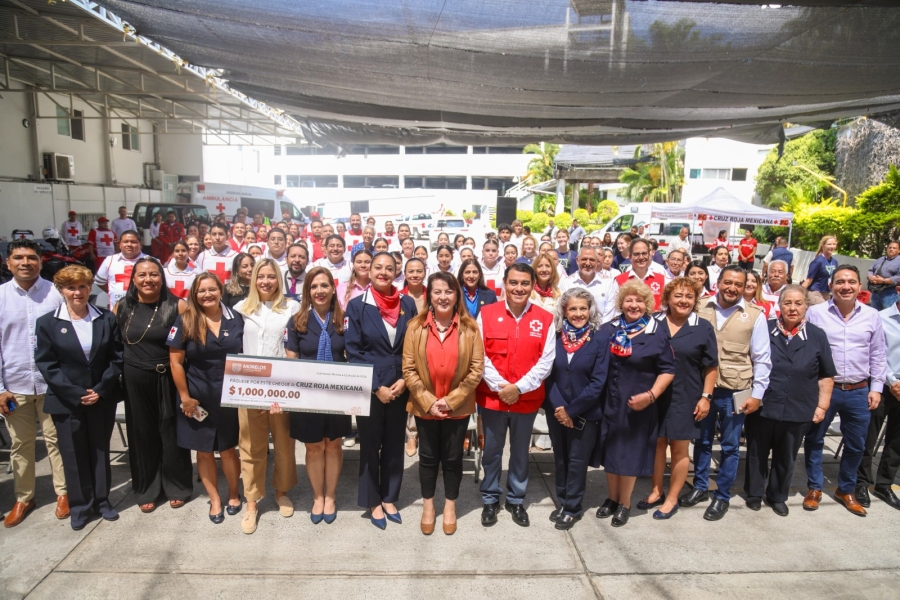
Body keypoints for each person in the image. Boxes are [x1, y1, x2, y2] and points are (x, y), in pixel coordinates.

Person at [34, 266, 124, 530]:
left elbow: (116, 358)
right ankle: (80, 506)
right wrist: (75, 392)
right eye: (71, 287)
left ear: (89, 288)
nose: (77, 292)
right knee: (73, 455)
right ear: (61, 290)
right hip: (66, 400)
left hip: (101, 397)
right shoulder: (48, 323)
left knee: (99, 450)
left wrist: (101, 388)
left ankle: (102, 501)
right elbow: (47, 364)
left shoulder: (106, 318)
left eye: (83, 286)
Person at [682, 266, 772, 521]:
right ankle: (700, 487)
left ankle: (722, 496)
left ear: (746, 287)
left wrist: (757, 394)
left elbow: (763, 358)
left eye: (739, 284)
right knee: (702, 440)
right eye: (728, 282)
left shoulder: (755, 315)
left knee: (731, 446)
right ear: (718, 282)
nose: (732, 288)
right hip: (703, 389)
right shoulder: (699, 307)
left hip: (738, 389)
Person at [402, 272, 484, 535]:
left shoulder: (470, 329)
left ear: (457, 295)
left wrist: (450, 402)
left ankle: (449, 506)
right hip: (424, 407)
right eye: (437, 291)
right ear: (429, 295)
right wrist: (428, 401)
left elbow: (476, 370)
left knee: (451, 458)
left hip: (456, 409)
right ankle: (428, 506)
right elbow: (409, 369)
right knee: (427, 459)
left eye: (449, 291)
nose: (443, 297)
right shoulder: (415, 327)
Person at [743, 285, 835, 516]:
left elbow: (825, 374)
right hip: (763, 405)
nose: (792, 308)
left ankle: (777, 496)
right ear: (779, 305)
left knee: (786, 456)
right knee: (756, 452)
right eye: (787, 303)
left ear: (806, 306)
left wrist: (822, 406)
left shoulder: (817, 335)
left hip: (798, 407)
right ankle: (754, 493)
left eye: (798, 303)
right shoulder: (765, 328)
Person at [803, 265, 886, 515]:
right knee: (815, 439)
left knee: (856, 445)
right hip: (825, 390)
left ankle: (845, 488)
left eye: (851, 282)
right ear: (831, 286)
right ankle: (815, 487)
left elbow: (878, 354)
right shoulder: (816, 313)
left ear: (859, 286)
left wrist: (877, 387)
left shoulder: (872, 316)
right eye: (840, 282)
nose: (845, 286)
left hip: (860, 390)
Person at [477, 263, 555, 528]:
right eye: (513, 283)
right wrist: (503, 388)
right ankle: (490, 499)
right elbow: (480, 356)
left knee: (521, 453)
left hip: (527, 399)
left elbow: (546, 362)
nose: (518, 288)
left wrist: (518, 388)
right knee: (492, 452)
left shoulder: (545, 318)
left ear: (532, 285)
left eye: (524, 283)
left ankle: (515, 499)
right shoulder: (486, 314)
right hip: (493, 398)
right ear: (504, 284)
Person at [592, 281, 675, 527]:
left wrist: (650, 396)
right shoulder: (608, 329)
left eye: (639, 300)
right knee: (610, 450)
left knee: (628, 454)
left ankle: (625, 502)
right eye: (629, 300)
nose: (634, 305)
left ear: (647, 304)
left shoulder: (656, 330)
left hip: (638, 404)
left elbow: (668, 370)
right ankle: (612, 497)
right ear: (621, 303)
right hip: (610, 401)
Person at [114, 257, 192, 513]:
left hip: (168, 377)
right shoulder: (121, 307)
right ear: (133, 279)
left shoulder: (178, 306)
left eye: (154, 274)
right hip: (135, 379)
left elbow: (189, 347)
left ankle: (177, 486)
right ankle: (147, 488)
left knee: (171, 432)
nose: (148, 280)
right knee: (141, 434)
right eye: (142, 275)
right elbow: (115, 347)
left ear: (162, 277)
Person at [345, 252, 418, 529]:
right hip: (371, 388)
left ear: (396, 271)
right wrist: (377, 387)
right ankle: (372, 500)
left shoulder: (407, 304)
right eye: (378, 267)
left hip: (400, 386)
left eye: (389, 268)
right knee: (370, 444)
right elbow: (353, 351)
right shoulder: (357, 306)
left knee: (394, 445)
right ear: (369, 271)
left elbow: (413, 346)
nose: (383, 272)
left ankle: (389, 497)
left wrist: (404, 380)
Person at [0, 240, 68, 527]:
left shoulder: (55, 294)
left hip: (52, 384)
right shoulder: (1, 296)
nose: (25, 263)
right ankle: (24, 497)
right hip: (15, 386)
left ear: (41, 261)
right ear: (8, 263)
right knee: (21, 445)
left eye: (31, 258)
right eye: (18, 258)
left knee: (57, 442)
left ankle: (63, 493)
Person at [168, 273, 244, 524]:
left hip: (231, 395)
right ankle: (214, 500)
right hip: (198, 396)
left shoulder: (237, 318)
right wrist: (185, 397)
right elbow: (176, 362)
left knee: (228, 449)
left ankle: (234, 494)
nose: (207, 295)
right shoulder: (185, 319)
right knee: (203, 452)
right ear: (194, 294)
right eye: (201, 291)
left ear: (221, 291)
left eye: (212, 289)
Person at [639, 278, 717, 520]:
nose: (683, 301)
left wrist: (706, 397)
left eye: (689, 297)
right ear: (667, 299)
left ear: (695, 301)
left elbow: (712, 367)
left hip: (687, 395)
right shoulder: (654, 322)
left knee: (680, 449)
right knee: (658, 443)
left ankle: (672, 498)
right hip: (656, 395)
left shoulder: (703, 327)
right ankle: (656, 491)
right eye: (678, 296)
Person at [233, 259, 300, 534]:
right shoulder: (239, 308)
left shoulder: (291, 308)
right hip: (250, 387)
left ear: (279, 280)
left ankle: (281, 491)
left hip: (281, 387)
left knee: (284, 443)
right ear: (253, 279)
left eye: (271, 276)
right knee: (251, 446)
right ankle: (251, 501)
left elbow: (293, 347)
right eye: (261, 276)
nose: (266, 281)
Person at [286, 267, 351, 524]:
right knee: (313, 447)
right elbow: (291, 362)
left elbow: (352, 357)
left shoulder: (344, 321)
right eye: (314, 287)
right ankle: (317, 497)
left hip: (338, 394)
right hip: (307, 396)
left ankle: (331, 496)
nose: (319, 291)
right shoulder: (297, 321)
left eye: (324, 285)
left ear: (333, 289)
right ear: (308, 291)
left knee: (333, 444)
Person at [544, 288, 609, 530]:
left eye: (583, 308)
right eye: (573, 308)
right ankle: (563, 501)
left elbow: (598, 382)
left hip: (585, 413)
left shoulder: (600, 338)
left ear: (590, 311)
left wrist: (571, 411)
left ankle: (572, 507)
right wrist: (559, 408)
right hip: (556, 410)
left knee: (577, 460)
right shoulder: (556, 335)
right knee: (560, 458)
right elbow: (547, 375)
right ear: (564, 310)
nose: (578, 313)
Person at [859, 295, 900, 510]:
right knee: (869, 437)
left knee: (896, 442)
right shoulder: (880, 318)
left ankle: (884, 485)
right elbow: (877, 354)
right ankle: (861, 483)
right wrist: (893, 381)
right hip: (881, 385)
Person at [605, 239, 667, 321]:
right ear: (630, 257)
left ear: (649, 255)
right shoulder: (619, 280)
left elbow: (666, 308)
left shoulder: (662, 279)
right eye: (637, 254)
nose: (641, 257)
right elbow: (613, 309)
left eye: (644, 253)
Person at [95, 231, 146, 310]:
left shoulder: (152, 261)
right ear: (120, 245)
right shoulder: (109, 260)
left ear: (140, 244)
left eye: (133, 242)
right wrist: (113, 292)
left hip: (144, 309)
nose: (129, 244)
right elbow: (99, 282)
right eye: (125, 242)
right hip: (117, 310)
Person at [559, 247, 614, 318]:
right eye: (584, 259)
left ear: (597, 261)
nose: (588, 263)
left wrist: (599, 328)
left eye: (592, 260)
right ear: (577, 260)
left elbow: (610, 313)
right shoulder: (566, 284)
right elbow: (563, 311)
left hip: (602, 328)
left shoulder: (608, 283)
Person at [803, 235, 839, 305]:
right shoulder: (818, 261)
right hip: (815, 293)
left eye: (834, 244)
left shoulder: (835, 262)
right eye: (829, 244)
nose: (832, 246)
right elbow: (808, 280)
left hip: (827, 293)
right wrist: (798, 292)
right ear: (823, 245)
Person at [867, 240, 900, 310]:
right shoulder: (880, 259)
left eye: (894, 248)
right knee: (874, 314)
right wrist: (871, 277)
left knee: (889, 315)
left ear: (899, 251)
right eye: (890, 247)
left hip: (889, 293)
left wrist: (883, 280)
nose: (891, 249)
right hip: (875, 292)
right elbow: (870, 270)